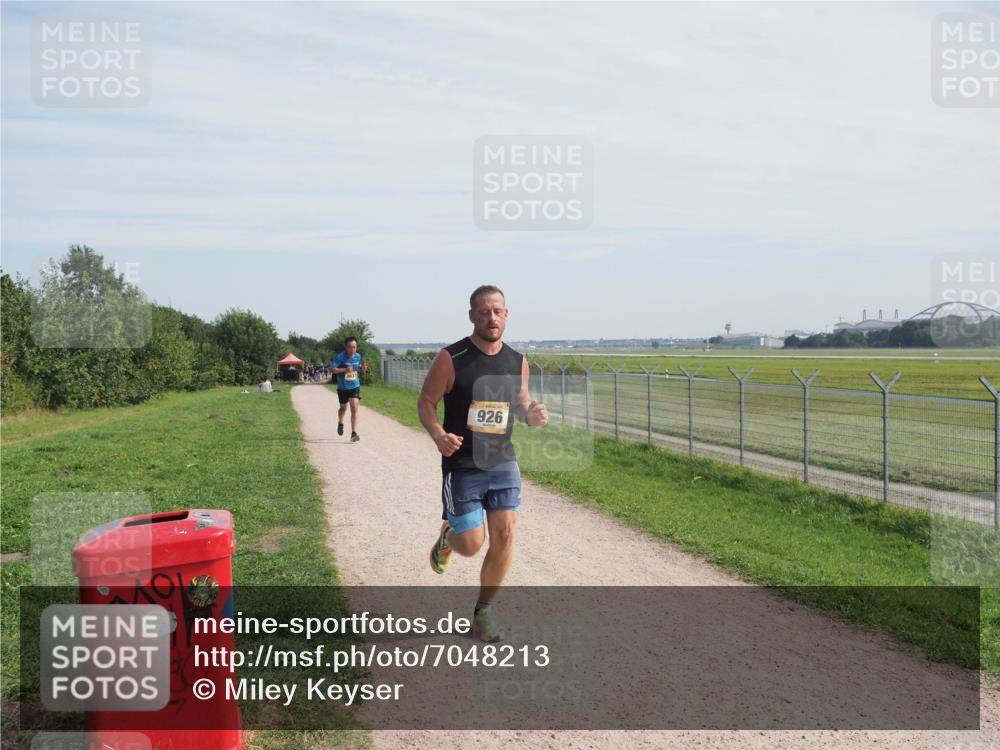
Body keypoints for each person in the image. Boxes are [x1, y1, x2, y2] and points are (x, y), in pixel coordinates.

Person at [418, 285, 548, 643]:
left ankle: (483, 613)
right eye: (484, 311)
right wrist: (438, 434)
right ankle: (448, 536)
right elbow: (426, 402)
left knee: (505, 535)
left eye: (497, 310)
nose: (492, 317)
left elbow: (519, 404)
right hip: (462, 464)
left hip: (503, 461)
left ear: (506, 314)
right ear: (472, 315)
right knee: (472, 544)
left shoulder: (517, 361)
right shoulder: (451, 358)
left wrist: (532, 414)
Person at [331, 337, 363, 442]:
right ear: (345, 347)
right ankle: (340, 423)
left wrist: (362, 368)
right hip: (343, 387)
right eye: (349, 347)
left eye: (354, 347)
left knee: (354, 407)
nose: (352, 349)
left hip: (355, 386)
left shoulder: (358, 356)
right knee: (343, 408)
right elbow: (333, 370)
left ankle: (354, 433)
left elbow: (356, 368)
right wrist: (345, 369)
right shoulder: (340, 357)